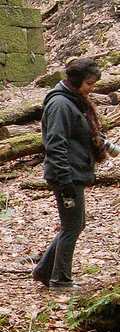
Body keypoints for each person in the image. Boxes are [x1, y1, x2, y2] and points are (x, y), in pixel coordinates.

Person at [33, 57, 120, 289]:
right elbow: (55, 145)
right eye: (89, 84)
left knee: (75, 224)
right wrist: (65, 182)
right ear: (77, 81)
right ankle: (60, 279)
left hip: (73, 173)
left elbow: (78, 134)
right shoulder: (61, 105)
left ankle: (44, 270)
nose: (92, 89)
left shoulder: (74, 101)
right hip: (66, 175)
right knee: (72, 226)